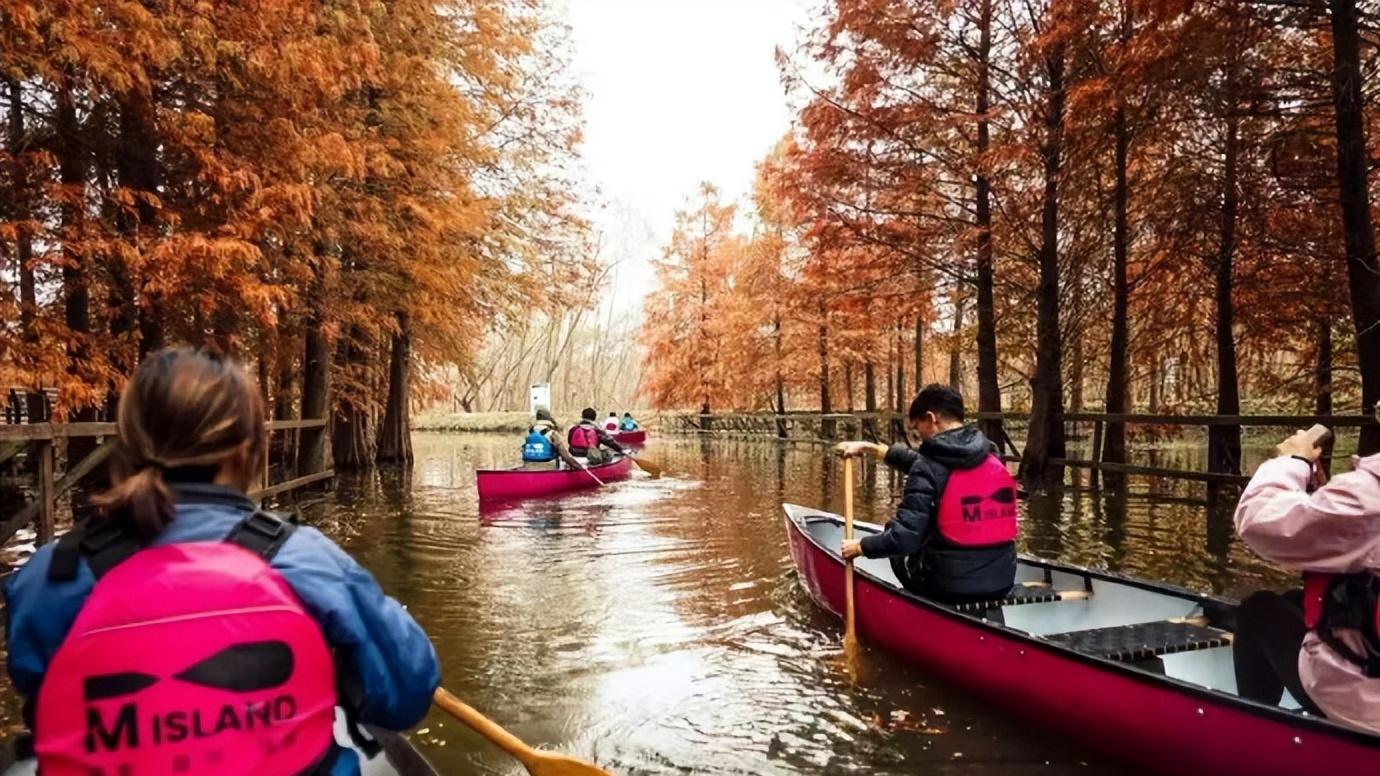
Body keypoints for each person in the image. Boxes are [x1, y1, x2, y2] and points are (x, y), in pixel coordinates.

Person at [3, 347, 440, 775]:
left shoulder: (49, 575)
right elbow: (407, 693)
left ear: (130, 442)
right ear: (246, 447)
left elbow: (38, 688)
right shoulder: (309, 561)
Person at [1232, 427, 1380, 732]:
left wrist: (1294, 460)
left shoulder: (1369, 496)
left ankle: (1251, 738)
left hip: (1366, 706)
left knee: (1258, 610)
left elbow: (1257, 521)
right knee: (1291, 602)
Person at [835, 384, 1018, 604]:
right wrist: (873, 449)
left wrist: (861, 546)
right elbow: (935, 471)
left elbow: (903, 540)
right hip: (1003, 579)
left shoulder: (929, 467)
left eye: (917, 428)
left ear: (931, 419)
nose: (919, 437)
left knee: (894, 530)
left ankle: (916, 605)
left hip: (948, 587)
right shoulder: (990, 454)